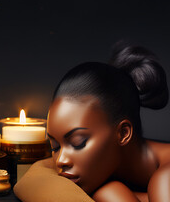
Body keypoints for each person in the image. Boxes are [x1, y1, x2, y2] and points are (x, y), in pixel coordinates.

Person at [14, 43, 170, 202]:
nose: (61, 160)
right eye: (55, 146)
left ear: (123, 133)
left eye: (78, 142)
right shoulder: (104, 176)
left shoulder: (165, 178)